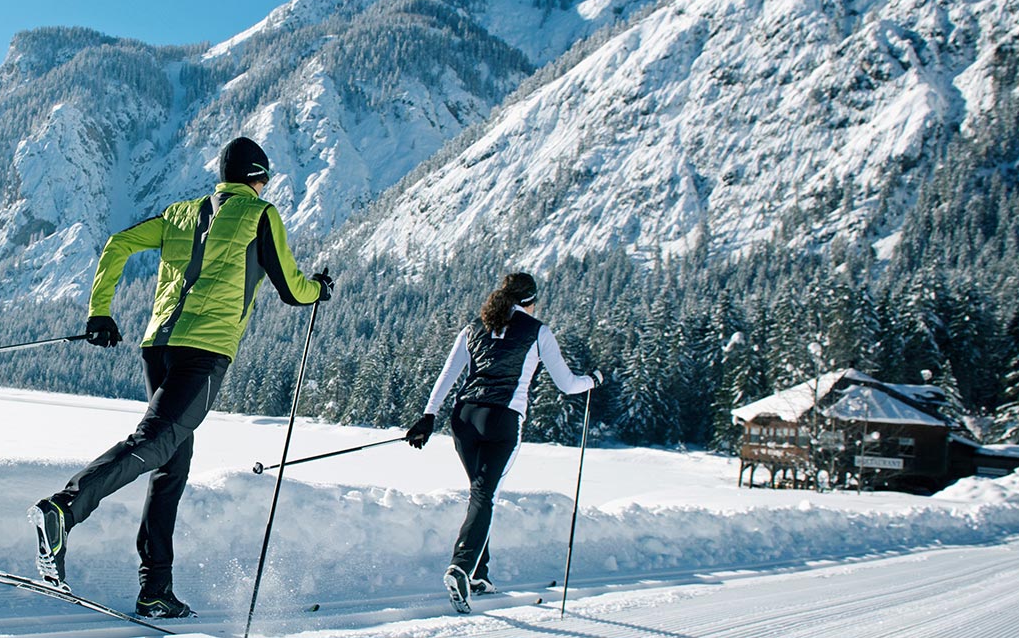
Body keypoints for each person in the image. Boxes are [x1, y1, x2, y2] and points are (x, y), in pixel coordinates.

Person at [30, 136, 331, 619]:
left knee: (171, 462)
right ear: (258, 178)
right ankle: (64, 509)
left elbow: (118, 244)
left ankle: (155, 591)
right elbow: (292, 290)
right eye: (265, 179)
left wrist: (100, 311)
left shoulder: (180, 213)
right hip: (204, 352)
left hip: (159, 348)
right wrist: (320, 288)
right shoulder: (260, 215)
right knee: (154, 443)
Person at [403, 271, 598, 614]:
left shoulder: (473, 328)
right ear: (530, 301)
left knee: (481, 493)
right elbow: (567, 385)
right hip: (502, 420)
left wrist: (428, 416)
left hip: (464, 419)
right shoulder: (538, 331)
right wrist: (592, 381)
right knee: (484, 494)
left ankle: (479, 573)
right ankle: (461, 567)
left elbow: (448, 374)